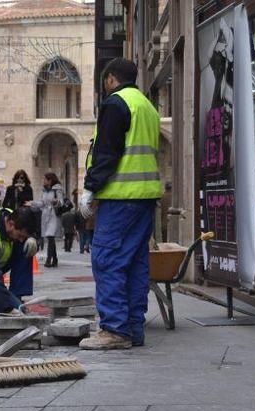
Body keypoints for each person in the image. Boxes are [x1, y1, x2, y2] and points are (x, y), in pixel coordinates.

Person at [78, 58, 162, 350]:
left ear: (111, 79)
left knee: (108, 259)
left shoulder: (117, 103)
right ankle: (133, 329)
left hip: (120, 198)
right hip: (145, 198)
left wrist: (90, 188)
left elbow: (107, 151)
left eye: (105, 83)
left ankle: (115, 329)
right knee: (136, 263)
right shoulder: (147, 107)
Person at [28, 172, 64, 267]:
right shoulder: (44, 190)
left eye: (45, 179)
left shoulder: (57, 189)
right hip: (45, 215)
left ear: (50, 180)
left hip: (53, 215)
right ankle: (55, 259)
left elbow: (61, 202)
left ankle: (49, 259)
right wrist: (31, 203)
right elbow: (42, 203)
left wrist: (56, 201)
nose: (43, 181)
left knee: (50, 236)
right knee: (50, 237)